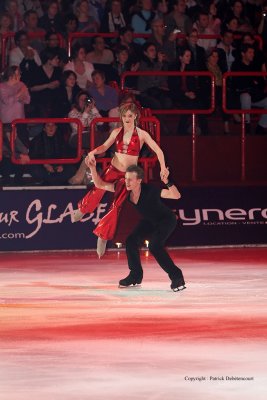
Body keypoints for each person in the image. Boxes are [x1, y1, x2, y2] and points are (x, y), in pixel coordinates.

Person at [74, 101, 169, 257]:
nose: (127, 118)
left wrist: (163, 167)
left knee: (116, 205)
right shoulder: (117, 131)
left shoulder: (142, 134)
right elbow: (104, 147)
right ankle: (83, 209)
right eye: (124, 115)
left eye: (130, 116)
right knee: (98, 188)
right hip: (113, 169)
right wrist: (92, 152)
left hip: (127, 177)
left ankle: (103, 235)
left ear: (135, 116)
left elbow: (158, 151)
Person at [88, 162, 186, 292]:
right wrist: (92, 168)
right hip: (149, 220)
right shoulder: (123, 189)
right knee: (131, 240)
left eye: (130, 179)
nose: (126, 182)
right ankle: (135, 276)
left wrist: (167, 181)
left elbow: (176, 195)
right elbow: (100, 184)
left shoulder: (150, 190)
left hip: (166, 220)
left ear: (139, 180)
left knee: (155, 246)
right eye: (126, 178)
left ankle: (177, 277)